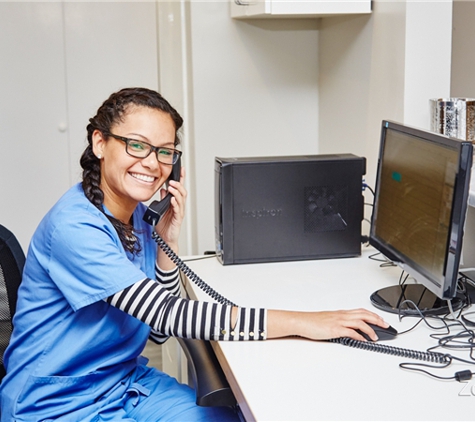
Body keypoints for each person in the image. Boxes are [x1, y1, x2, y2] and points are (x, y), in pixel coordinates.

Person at [0, 87, 387, 421]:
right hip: (57, 402)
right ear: (100, 143)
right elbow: (169, 314)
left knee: (232, 416)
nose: (152, 163)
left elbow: (157, 331)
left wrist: (167, 242)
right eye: (136, 145)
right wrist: (305, 322)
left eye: (165, 152)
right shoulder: (75, 227)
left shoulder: (136, 214)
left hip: (122, 382)